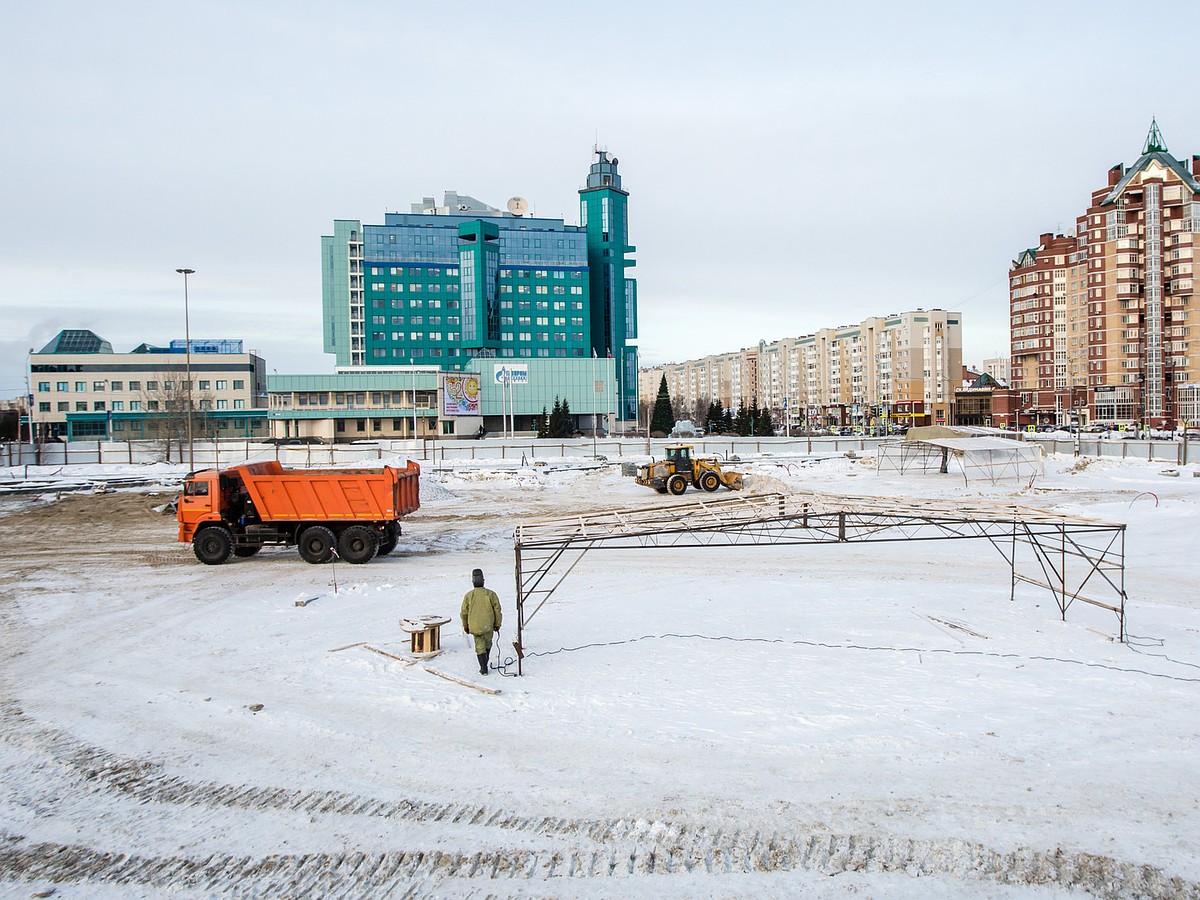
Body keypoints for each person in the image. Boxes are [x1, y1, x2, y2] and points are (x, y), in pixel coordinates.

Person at [460, 568, 502, 675]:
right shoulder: (491, 594)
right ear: (483, 580)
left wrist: (465, 625)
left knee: (479, 647)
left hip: (475, 626)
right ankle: (485, 665)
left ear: (473, 582)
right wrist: (497, 624)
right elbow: (497, 611)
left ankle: (483, 668)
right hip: (488, 625)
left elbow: (464, 612)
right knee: (488, 644)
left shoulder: (469, 596)